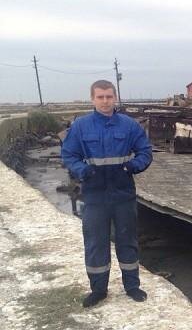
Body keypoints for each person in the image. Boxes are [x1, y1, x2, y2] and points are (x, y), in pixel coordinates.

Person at [61, 80, 153, 308]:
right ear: (93, 99)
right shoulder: (81, 127)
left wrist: (132, 166)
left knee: (127, 241)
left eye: (109, 97)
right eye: (100, 97)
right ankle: (98, 290)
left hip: (123, 194)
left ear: (115, 98)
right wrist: (84, 171)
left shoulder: (129, 126)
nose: (105, 101)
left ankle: (132, 286)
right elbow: (69, 155)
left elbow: (145, 151)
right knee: (95, 243)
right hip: (94, 195)